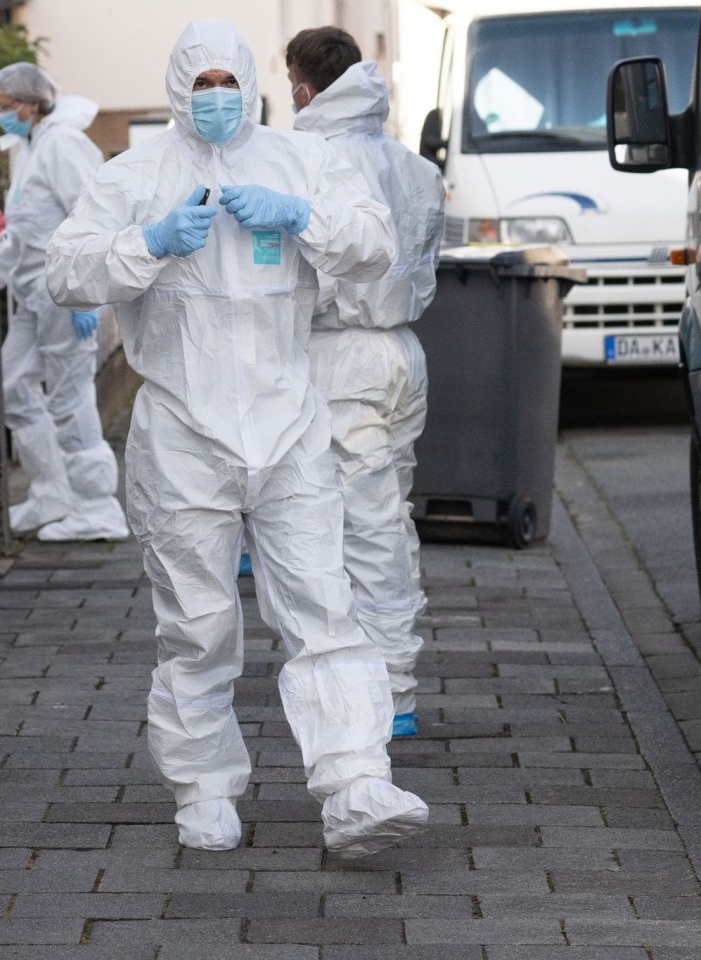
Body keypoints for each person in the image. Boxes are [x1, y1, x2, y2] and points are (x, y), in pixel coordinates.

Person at [46, 20, 428, 857]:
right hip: (183, 427)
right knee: (198, 622)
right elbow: (63, 270)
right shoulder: (136, 174)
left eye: (230, 79)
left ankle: (356, 781)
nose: (216, 95)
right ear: (179, 84)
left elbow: (375, 244)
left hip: (289, 419)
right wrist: (144, 243)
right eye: (202, 80)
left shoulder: (301, 161)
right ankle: (203, 785)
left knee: (325, 605)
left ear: (253, 82)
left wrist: (303, 217)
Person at [289, 27, 446, 739]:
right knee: (391, 519)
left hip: (340, 359)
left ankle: (386, 694)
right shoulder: (414, 166)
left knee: (362, 531)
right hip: (403, 355)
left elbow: (305, 278)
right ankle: (394, 680)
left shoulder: (314, 161)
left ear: (301, 87)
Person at [0, 62, 129, 542]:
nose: (0, 115)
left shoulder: (63, 144)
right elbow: (26, 228)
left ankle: (97, 507)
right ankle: (53, 493)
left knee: (70, 397)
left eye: (6, 107)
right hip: (33, 295)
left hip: (66, 295)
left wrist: (88, 296)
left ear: (31, 104)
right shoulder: (29, 147)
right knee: (13, 386)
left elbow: (95, 214)